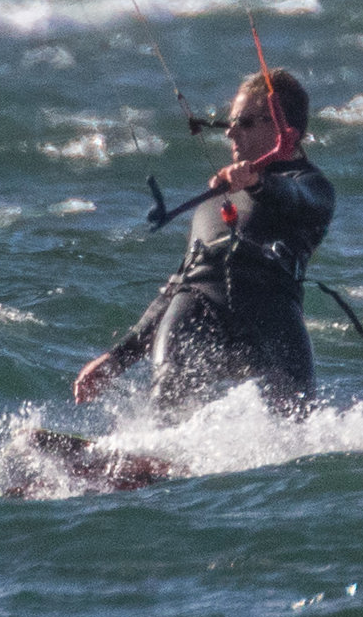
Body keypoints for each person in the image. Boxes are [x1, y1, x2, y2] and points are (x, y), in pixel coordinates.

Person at [73, 67, 334, 418]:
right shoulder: (215, 199)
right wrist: (118, 357)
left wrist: (256, 182)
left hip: (270, 316)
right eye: (228, 122)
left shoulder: (312, 187)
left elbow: (294, 198)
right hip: (198, 312)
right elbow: (180, 282)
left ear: (284, 131)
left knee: (300, 417)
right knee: (165, 398)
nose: (230, 132)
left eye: (244, 122)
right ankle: (154, 453)